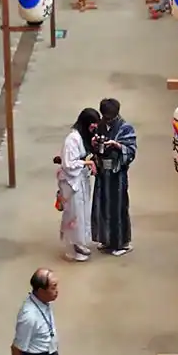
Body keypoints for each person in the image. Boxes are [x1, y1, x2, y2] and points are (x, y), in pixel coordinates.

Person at [89, 98, 136, 255]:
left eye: (110, 117)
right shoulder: (100, 126)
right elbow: (93, 147)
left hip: (117, 173)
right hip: (103, 172)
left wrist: (117, 145)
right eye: (105, 116)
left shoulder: (125, 128)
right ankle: (106, 240)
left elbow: (131, 150)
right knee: (102, 205)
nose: (107, 119)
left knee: (119, 207)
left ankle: (122, 243)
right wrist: (94, 144)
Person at [58, 109, 98, 261]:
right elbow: (69, 164)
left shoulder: (82, 137)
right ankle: (73, 247)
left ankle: (80, 243)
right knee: (74, 214)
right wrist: (87, 163)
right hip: (71, 182)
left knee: (82, 213)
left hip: (80, 179)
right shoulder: (72, 139)